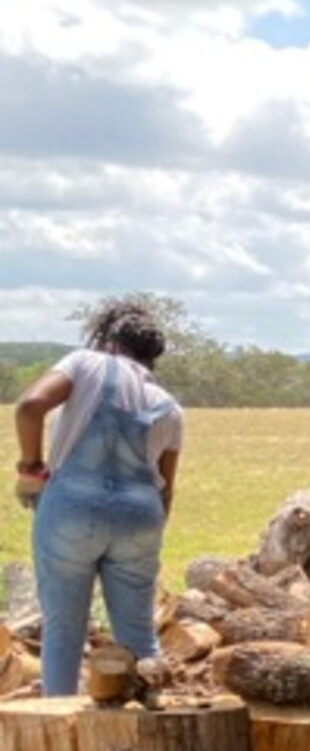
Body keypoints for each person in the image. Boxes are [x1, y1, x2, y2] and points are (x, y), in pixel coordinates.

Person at [14, 299, 184, 697]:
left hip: (71, 509)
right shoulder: (170, 407)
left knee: (63, 631)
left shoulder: (85, 363)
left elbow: (29, 407)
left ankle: (60, 724)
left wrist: (30, 470)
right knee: (139, 637)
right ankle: (151, 726)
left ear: (108, 341)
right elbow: (167, 491)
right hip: (141, 514)